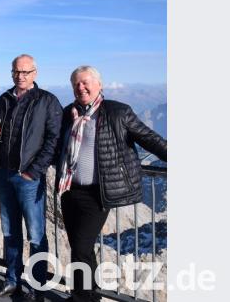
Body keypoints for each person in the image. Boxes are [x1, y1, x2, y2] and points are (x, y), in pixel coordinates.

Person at [56, 66, 166, 302]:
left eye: (85, 82)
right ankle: (88, 293)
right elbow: (57, 146)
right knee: (78, 245)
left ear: (99, 85)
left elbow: (149, 138)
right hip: (70, 190)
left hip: (98, 194)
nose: (80, 87)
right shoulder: (69, 113)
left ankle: (82, 297)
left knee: (82, 247)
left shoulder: (117, 112)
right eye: (76, 84)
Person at [0, 54, 62, 301]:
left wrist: (34, 171)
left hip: (29, 178)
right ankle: (12, 280)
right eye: (16, 72)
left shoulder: (47, 101)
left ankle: (37, 286)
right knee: (9, 232)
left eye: (25, 72)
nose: (20, 76)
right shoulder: (5, 99)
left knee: (36, 234)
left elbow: (53, 140)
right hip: (4, 174)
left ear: (35, 73)